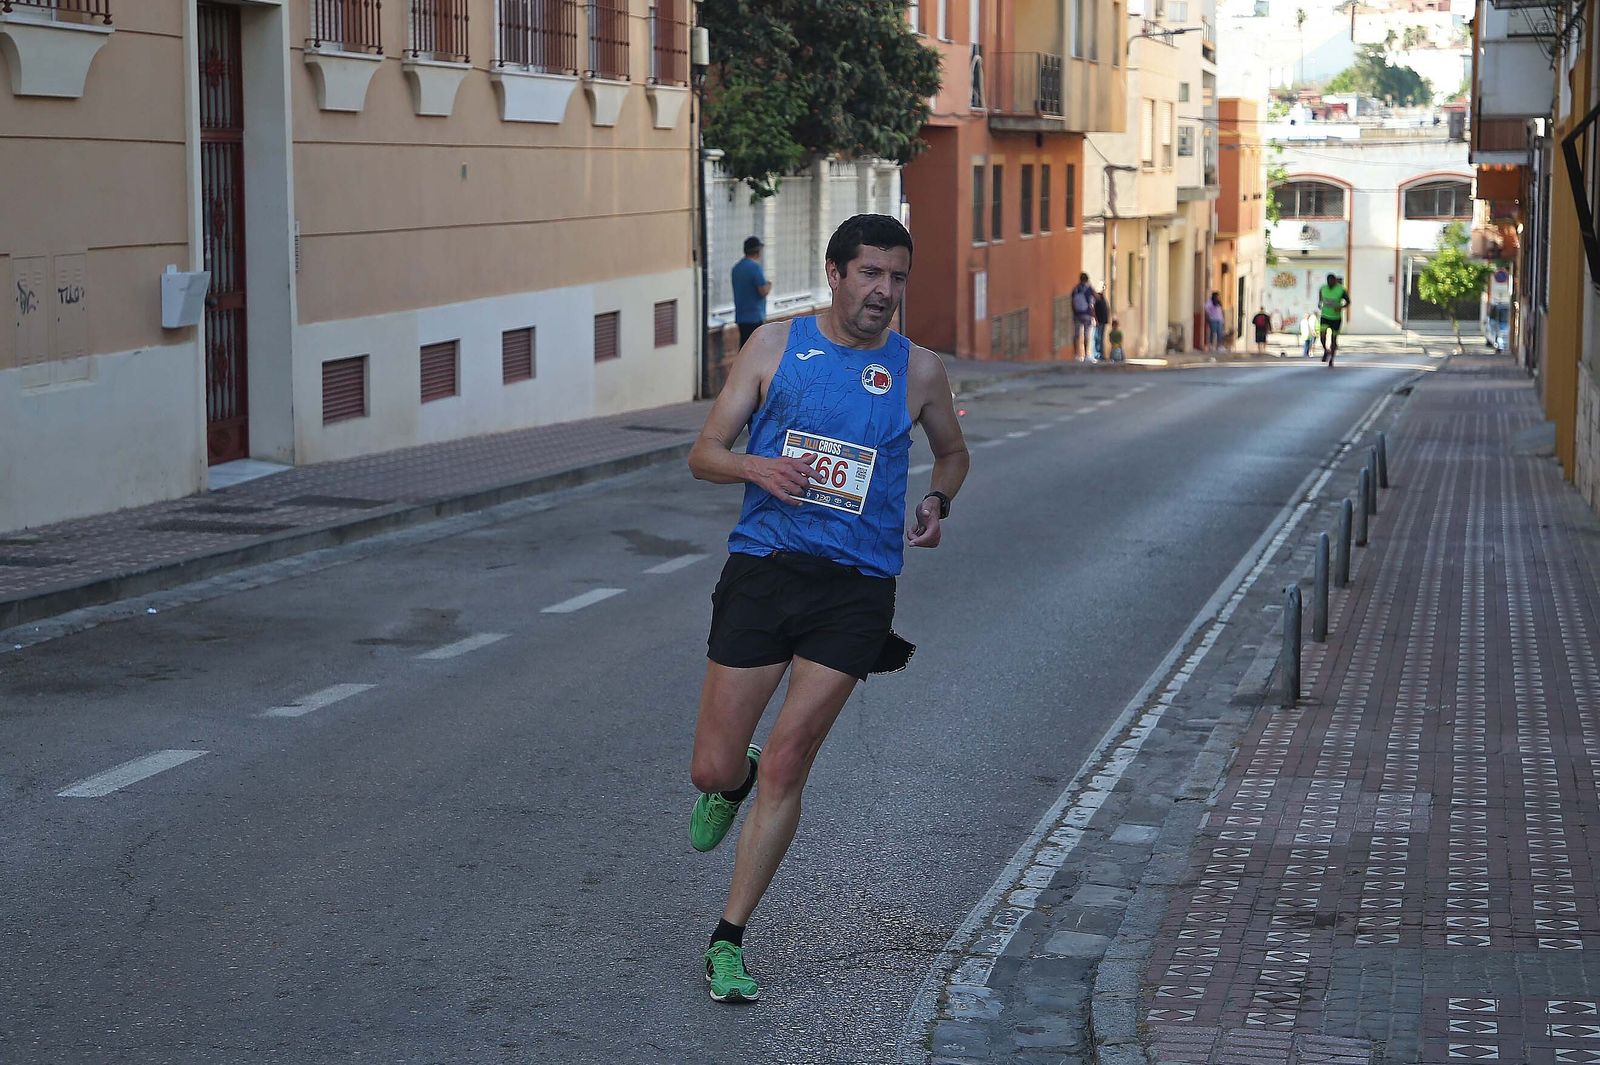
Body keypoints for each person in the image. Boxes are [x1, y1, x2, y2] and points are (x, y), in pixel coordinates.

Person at [684, 214, 971, 1004]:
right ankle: (726, 779)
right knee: (718, 763)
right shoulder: (775, 347)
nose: (885, 292)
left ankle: (729, 939)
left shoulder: (919, 370)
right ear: (836, 273)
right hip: (765, 570)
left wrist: (937, 499)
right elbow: (703, 454)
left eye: (898, 278)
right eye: (871, 274)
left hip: (857, 588)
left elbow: (953, 450)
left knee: (790, 757)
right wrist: (757, 467)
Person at [731, 236, 773, 350]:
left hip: (741, 316)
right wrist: (769, 285)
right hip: (754, 317)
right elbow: (763, 291)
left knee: (744, 349)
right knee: (755, 350)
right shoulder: (755, 268)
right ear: (757, 251)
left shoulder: (737, 268)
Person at [1318, 273, 1351, 366]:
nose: (1330, 284)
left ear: (1335, 281)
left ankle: (1331, 359)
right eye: (1328, 282)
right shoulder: (1323, 288)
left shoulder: (1341, 290)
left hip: (1336, 318)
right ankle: (1326, 350)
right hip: (1325, 316)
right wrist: (1320, 304)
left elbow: (1348, 302)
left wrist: (1341, 307)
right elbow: (1320, 300)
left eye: (1332, 282)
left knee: (1333, 339)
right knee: (1322, 336)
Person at [1070, 273, 1096, 361]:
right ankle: (1086, 355)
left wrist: (1074, 313)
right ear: (1087, 280)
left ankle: (1075, 355)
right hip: (1087, 315)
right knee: (1086, 335)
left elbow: (1072, 302)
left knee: (1076, 335)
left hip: (1077, 315)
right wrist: (1093, 315)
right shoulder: (1089, 289)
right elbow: (1094, 300)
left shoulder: (1075, 289)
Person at [1092, 289, 1111, 362]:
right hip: (1098, 322)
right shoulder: (1096, 300)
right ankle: (1097, 355)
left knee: (1101, 339)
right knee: (1097, 338)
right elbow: (1094, 311)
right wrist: (1095, 320)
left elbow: (1107, 309)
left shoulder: (1103, 299)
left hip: (1103, 322)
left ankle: (1101, 354)